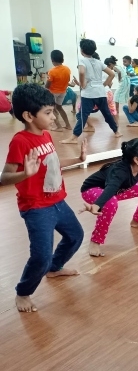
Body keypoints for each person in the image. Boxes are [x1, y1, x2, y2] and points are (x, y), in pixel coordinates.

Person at [1, 84, 86, 313]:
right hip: (36, 208)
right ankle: (23, 292)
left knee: (75, 236)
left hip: (58, 201)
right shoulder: (20, 141)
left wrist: (78, 158)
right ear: (29, 116)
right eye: (48, 113)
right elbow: (4, 177)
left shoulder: (46, 135)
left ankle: (55, 267)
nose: (52, 116)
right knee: (40, 255)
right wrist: (24, 174)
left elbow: (53, 165)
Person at [60, 39, 121, 144]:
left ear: (81, 50)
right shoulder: (98, 62)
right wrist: (104, 84)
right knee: (107, 113)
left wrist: (82, 83)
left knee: (83, 115)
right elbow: (112, 74)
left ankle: (74, 137)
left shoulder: (82, 60)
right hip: (100, 92)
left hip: (88, 94)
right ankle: (116, 131)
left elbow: (82, 71)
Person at [45, 49, 72, 131]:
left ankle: (59, 127)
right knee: (59, 107)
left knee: (52, 109)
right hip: (63, 91)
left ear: (52, 60)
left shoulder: (52, 71)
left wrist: (44, 90)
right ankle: (68, 125)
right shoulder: (67, 69)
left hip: (53, 92)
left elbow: (48, 84)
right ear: (62, 60)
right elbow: (67, 80)